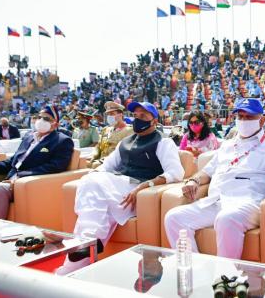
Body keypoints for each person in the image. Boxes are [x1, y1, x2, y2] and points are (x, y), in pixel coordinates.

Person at [56, 101, 184, 275]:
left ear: (154, 121)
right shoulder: (125, 141)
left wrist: (147, 184)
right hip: (118, 187)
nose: (138, 119)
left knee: (92, 184)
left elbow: (176, 172)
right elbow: (106, 167)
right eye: (136, 115)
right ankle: (76, 265)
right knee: (95, 194)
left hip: (140, 188)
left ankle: (88, 243)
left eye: (144, 116)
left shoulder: (163, 141)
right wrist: (93, 176)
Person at [164, 98, 265, 260]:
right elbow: (206, 172)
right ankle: (196, 270)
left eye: (249, 117)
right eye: (240, 117)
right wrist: (194, 181)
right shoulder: (227, 145)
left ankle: (225, 278)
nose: (243, 121)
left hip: (248, 203)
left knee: (226, 218)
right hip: (217, 201)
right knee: (173, 218)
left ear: (262, 120)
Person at [0, 105, 74, 219]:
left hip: (29, 183)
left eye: (46, 119)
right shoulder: (28, 137)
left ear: (55, 124)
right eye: (39, 117)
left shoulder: (62, 141)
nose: (41, 120)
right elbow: (11, 163)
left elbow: (55, 167)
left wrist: (20, 177)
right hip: (9, 180)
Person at [88, 101, 133, 168]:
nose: (109, 116)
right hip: (101, 161)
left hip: (115, 164)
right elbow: (98, 146)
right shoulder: (106, 130)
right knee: (86, 163)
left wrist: (104, 161)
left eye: (112, 114)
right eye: (108, 114)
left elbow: (126, 152)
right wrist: (93, 155)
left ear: (120, 114)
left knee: (95, 165)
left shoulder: (129, 130)